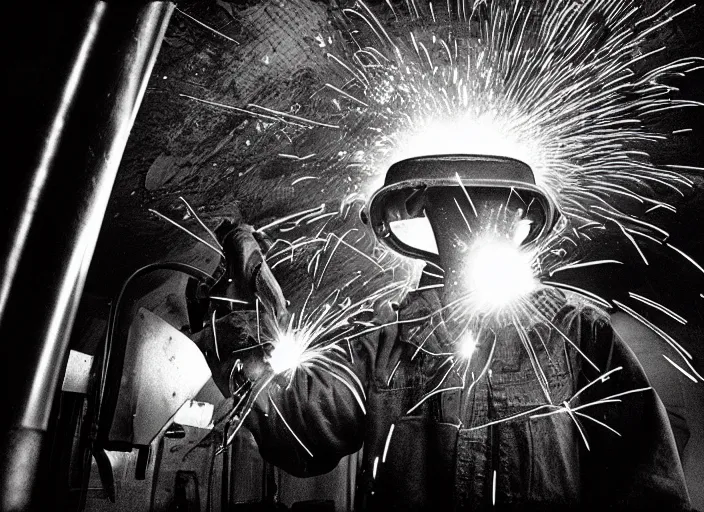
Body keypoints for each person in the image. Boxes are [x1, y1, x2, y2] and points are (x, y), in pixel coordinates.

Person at [191, 155, 691, 511]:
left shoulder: (577, 332)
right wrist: (240, 324)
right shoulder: (386, 335)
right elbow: (295, 429)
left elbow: (651, 490)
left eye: (491, 209)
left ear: (519, 218)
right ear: (429, 218)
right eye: (455, 211)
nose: (473, 226)